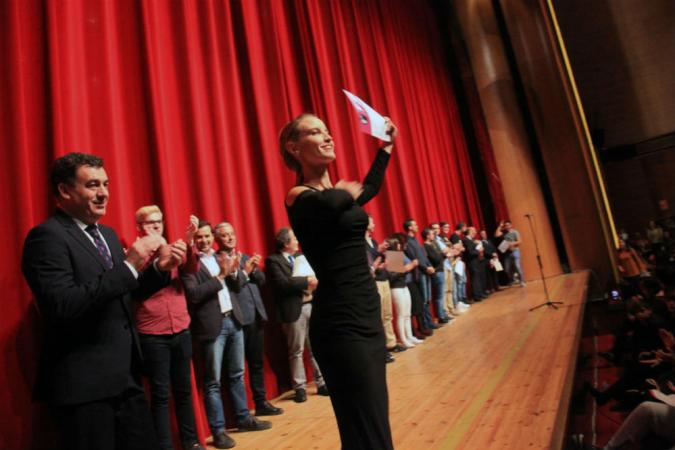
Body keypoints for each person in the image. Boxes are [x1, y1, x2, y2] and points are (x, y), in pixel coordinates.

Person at [22, 152, 186, 450]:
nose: (103, 193)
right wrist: (130, 265)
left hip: (126, 379)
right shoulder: (46, 238)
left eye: (106, 184)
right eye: (93, 185)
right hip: (84, 388)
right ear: (64, 190)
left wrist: (158, 270)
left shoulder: (108, 235)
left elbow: (124, 294)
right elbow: (62, 305)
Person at [280, 112, 397, 449]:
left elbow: (369, 186)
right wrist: (345, 192)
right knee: (367, 429)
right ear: (295, 147)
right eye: (316, 132)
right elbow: (329, 202)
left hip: (367, 316)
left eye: (328, 131)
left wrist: (386, 148)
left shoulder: (338, 194)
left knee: (372, 424)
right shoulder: (299, 196)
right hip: (341, 324)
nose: (328, 137)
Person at [181, 221, 271, 450]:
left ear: (213, 238)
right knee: (213, 382)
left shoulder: (221, 256)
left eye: (207, 237)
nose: (204, 241)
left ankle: (243, 418)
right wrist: (221, 275)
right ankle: (218, 431)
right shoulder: (190, 264)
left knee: (238, 374)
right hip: (213, 327)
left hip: (234, 319)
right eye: (199, 237)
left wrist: (239, 271)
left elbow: (238, 285)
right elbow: (194, 294)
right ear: (194, 240)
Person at [134, 206, 205, 450]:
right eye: (149, 222)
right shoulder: (134, 254)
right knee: (161, 395)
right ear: (139, 227)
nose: (155, 226)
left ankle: (191, 442)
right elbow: (134, 288)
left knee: (184, 391)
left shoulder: (173, 247)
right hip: (152, 334)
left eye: (159, 221)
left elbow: (192, 269)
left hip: (181, 327)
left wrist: (188, 243)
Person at [212, 222, 283, 416]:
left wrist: (253, 267)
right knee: (237, 369)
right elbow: (234, 286)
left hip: (256, 314)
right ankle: (243, 411)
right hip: (238, 318)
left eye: (231, 234)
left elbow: (261, 281)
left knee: (257, 362)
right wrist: (246, 272)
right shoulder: (218, 260)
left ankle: (261, 402)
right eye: (224, 235)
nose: (229, 237)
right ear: (217, 239)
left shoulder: (242, 256)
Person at [265, 227, 328, 402]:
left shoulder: (300, 257)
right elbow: (282, 284)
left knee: (316, 347)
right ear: (286, 244)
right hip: (292, 311)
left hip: (310, 305)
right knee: (297, 350)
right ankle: (299, 387)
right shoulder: (273, 261)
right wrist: (306, 280)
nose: (297, 242)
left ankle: (322, 382)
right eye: (294, 239)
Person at [366, 215, 404, 361]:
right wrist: (378, 263)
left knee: (388, 315)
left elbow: (388, 264)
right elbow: (370, 265)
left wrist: (385, 264)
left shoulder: (374, 242)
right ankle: (382, 349)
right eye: (372, 222)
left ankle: (391, 343)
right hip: (374, 282)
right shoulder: (363, 244)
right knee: (379, 316)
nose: (374, 224)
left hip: (384, 280)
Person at [386, 235, 422, 348]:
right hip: (396, 288)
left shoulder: (397, 255)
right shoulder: (391, 256)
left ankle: (410, 336)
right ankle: (403, 339)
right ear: (394, 245)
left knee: (407, 314)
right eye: (397, 243)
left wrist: (405, 268)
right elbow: (392, 276)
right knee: (401, 315)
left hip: (404, 286)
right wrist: (406, 268)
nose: (399, 245)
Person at [495, 220, 525, 286]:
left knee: (517, 266)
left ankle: (522, 281)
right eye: (506, 226)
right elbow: (496, 235)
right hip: (507, 253)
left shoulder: (515, 232)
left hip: (515, 251)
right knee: (507, 269)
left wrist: (511, 243)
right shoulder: (504, 232)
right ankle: (512, 280)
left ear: (511, 225)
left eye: (508, 225)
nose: (507, 227)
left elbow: (520, 241)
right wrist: (500, 226)